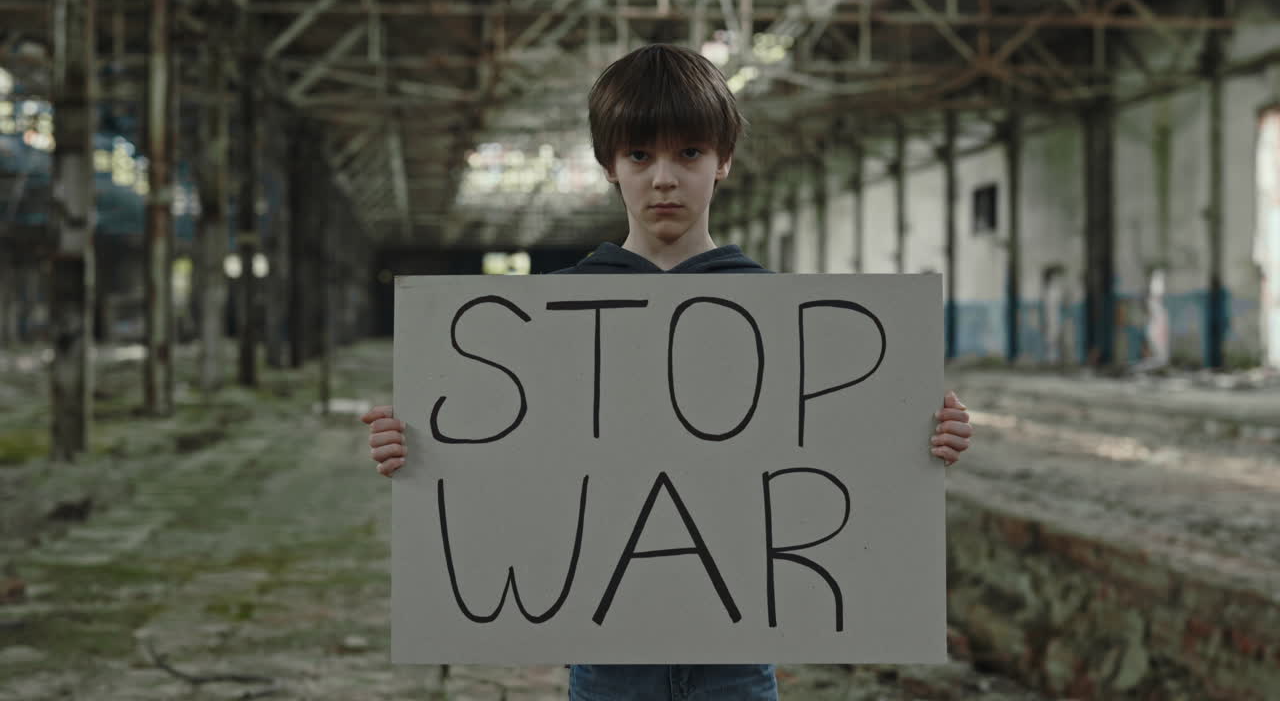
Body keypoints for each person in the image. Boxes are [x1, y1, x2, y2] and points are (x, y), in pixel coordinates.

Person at [362, 43, 974, 701]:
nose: (663, 178)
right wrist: (420, 453)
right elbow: (512, 465)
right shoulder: (549, 315)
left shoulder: (783, 317)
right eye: (639, 155)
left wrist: (923, 443)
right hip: (606, 658)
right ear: (609, 167)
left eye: (689, 153)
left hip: (737, 659)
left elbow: (840, 460)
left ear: (723, 162)